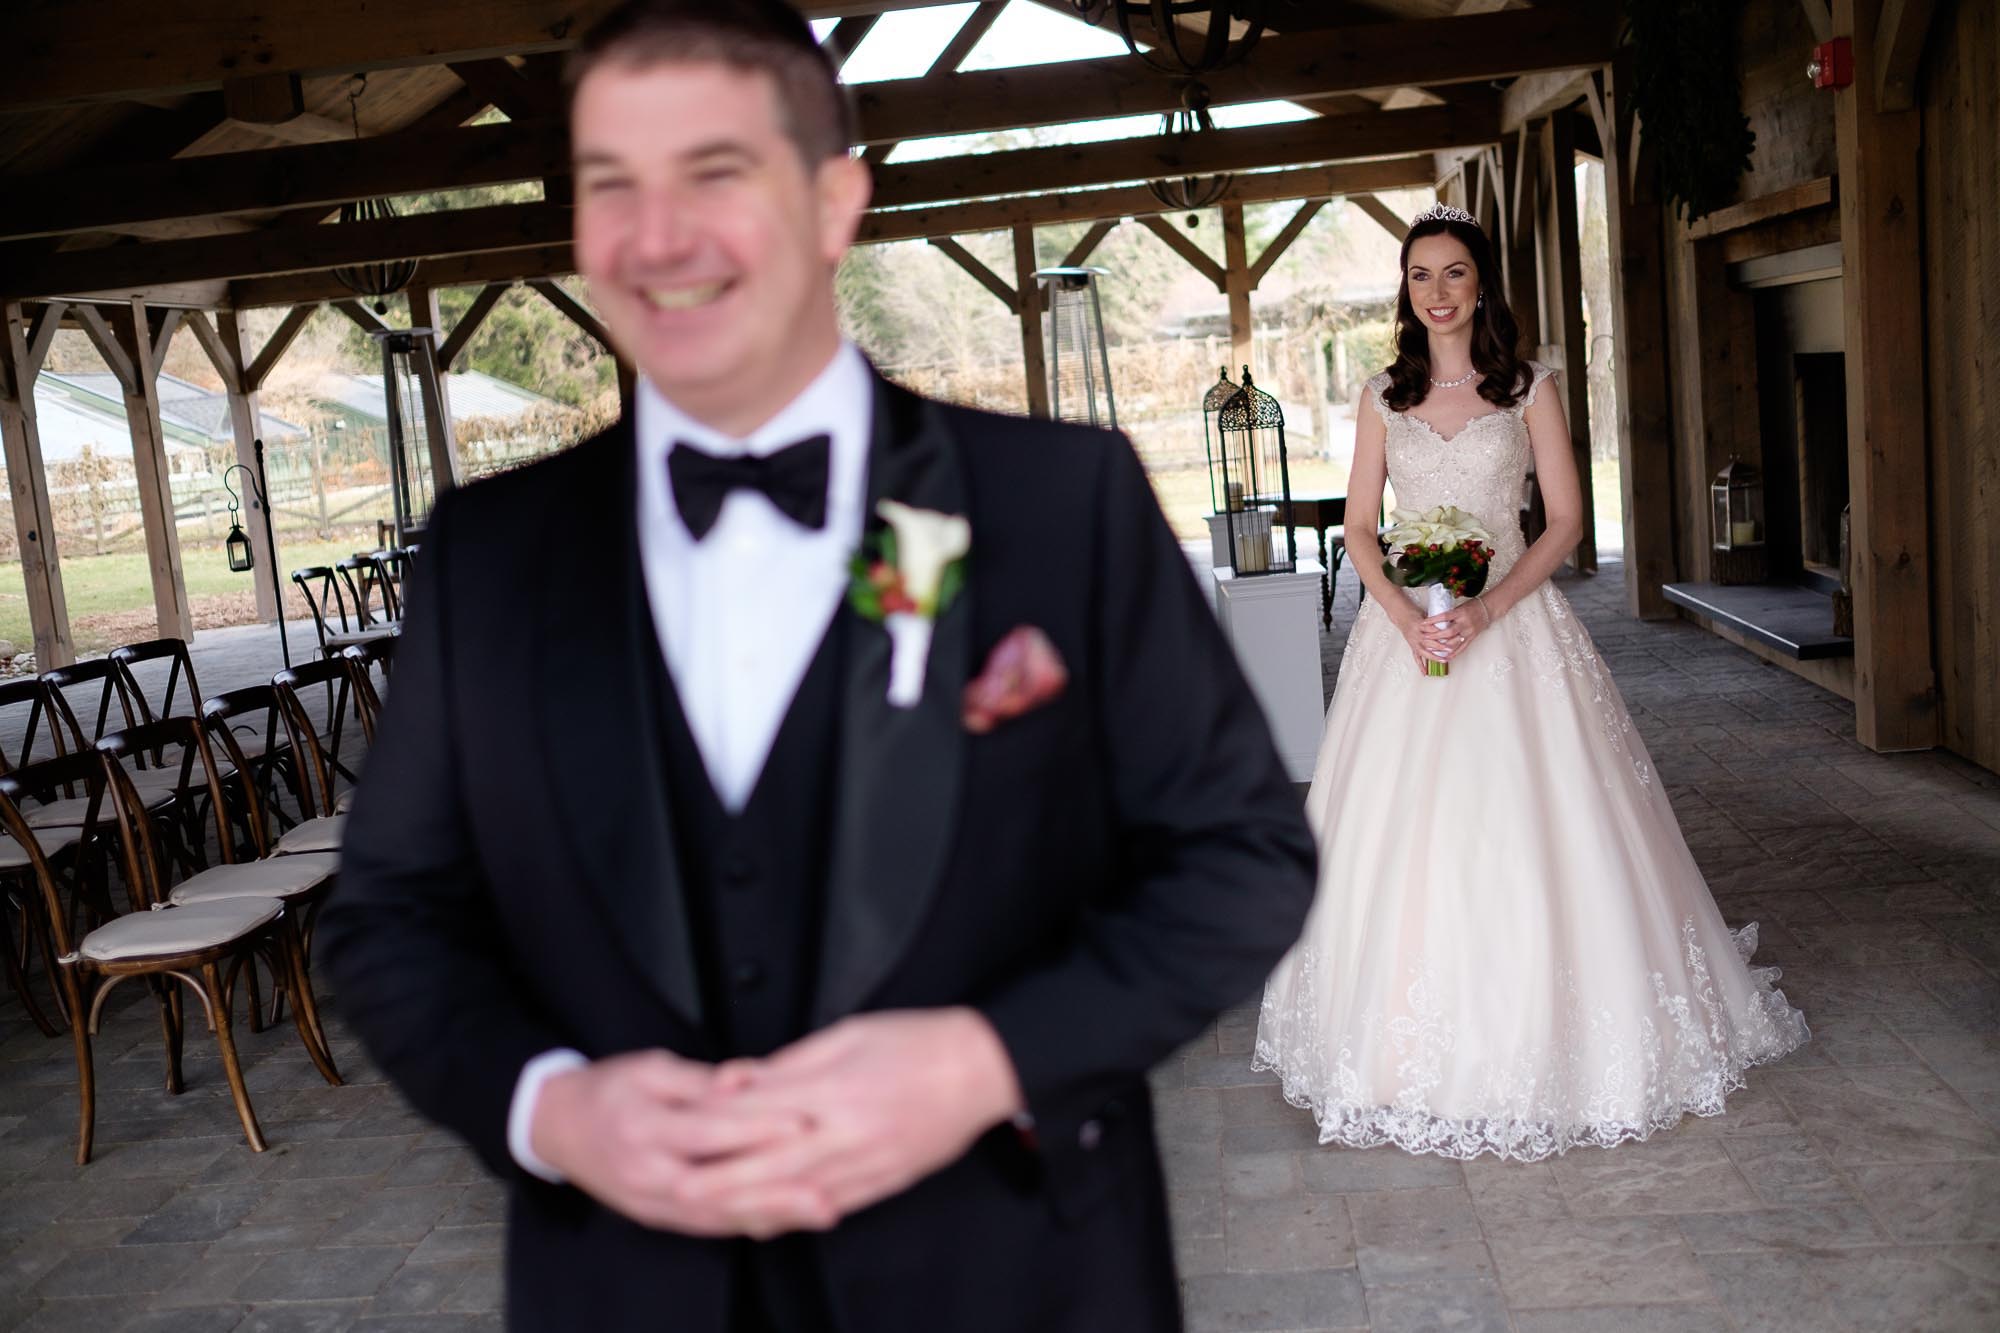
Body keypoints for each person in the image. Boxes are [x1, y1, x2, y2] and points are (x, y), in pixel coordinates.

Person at [316, 2, 1316, 1329]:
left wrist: (987, 1059)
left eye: (714, 174)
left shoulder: (1053, 504)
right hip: (627, 1289)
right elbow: (387, 917)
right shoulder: (490, 558)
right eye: (612, 185)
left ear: (836, 202)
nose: (656, 236)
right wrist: (549, 1106)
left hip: (1015, 1277)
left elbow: (1243, 855)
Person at [1254, 203, 1808, 1161]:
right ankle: (1388, 1050)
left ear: (1482, 284)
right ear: (1406, 290)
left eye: (1455, 273)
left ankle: (1569, 1033)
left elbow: (1561, 523)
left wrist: (1485, 608)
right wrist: (1406, 618)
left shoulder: (1530, 387)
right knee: (1401, 841)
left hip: (1510, 627)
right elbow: (1357, 526)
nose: (1438, 292)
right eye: (1421, 275)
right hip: (1409, 641)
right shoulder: (1382, 395)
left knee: (1543, 825)